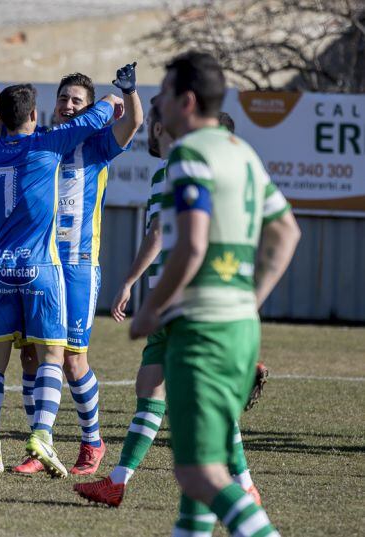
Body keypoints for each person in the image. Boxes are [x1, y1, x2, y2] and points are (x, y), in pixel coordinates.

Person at [133, 51, 299, 536]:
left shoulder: (189, 155)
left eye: (163, 94)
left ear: (185, 101)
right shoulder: (242, 153)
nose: (157, 104)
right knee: (197, 485)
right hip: (240, 328)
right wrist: (250, 299)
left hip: (201, 330)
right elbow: (287, 231)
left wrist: (151, 307)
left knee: (197, 473)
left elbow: (191, 245)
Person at [0, 64, 142, 475]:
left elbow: (135, 121)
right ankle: (40, 445)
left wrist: (128, 93)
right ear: (49, 106)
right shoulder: (41, 140)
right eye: (63, 98)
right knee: (31, 358)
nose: (68, 105)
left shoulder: (99, 144)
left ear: (89, 108)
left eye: (77, 100)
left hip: (76, 261)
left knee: (73, 360)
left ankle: (92, 441)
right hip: (42, 263)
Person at [75, 104, 269, 507]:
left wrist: (129, 281)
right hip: (171, 302)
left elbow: (160, 231)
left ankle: (242, 484)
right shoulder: (184, 174)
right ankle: (117, 481)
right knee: (150, 389)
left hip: (183, 301)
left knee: (200, 401)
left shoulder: (178, 171)